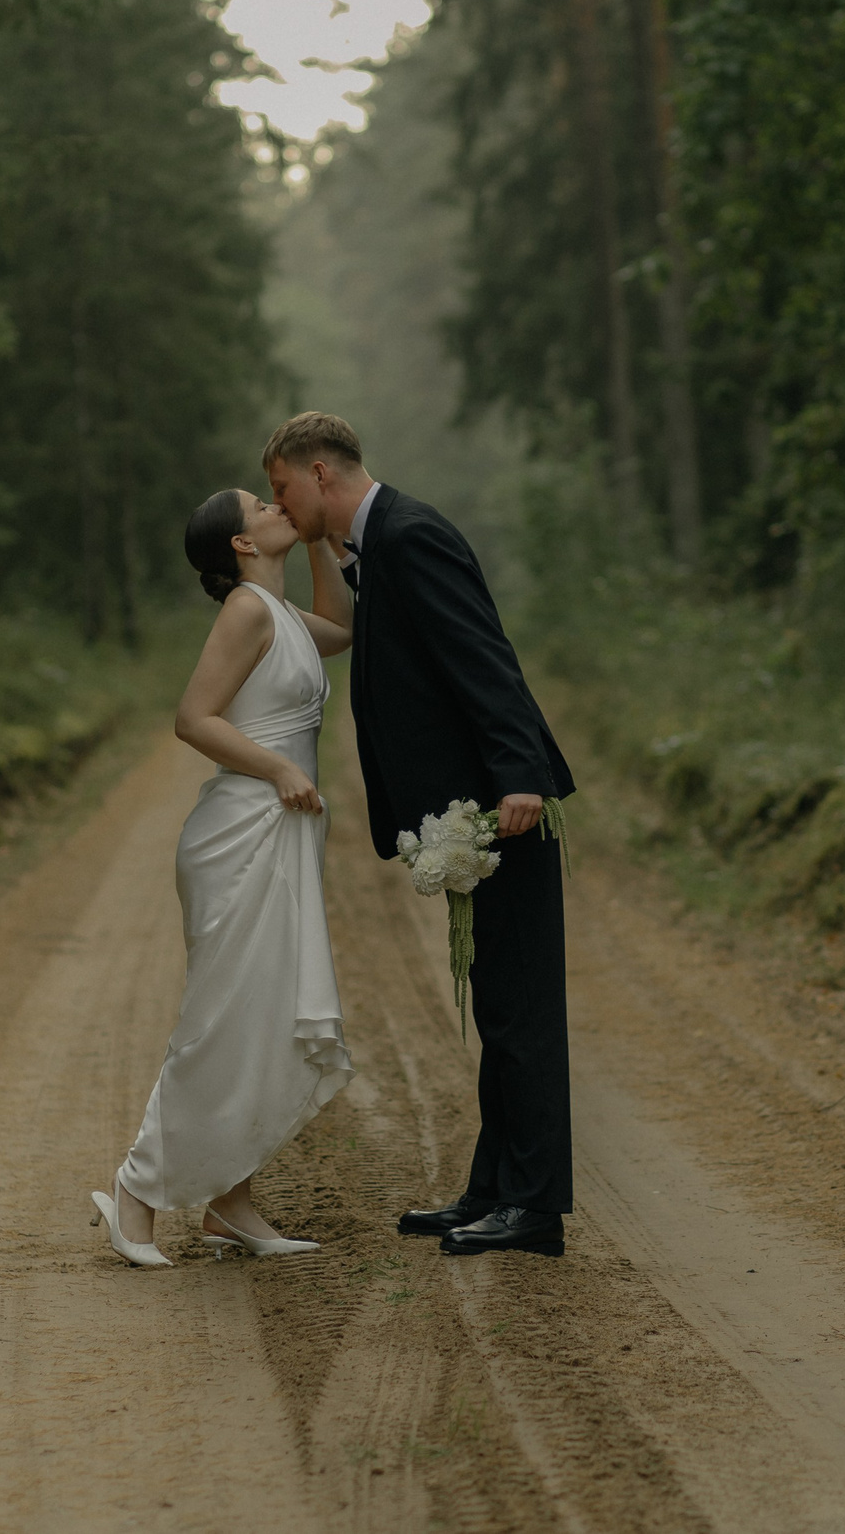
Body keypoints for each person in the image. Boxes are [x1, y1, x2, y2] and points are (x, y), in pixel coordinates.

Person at [262, 412, 577, 1258]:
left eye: (283, 489)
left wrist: (519, 774)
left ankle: (536, 1207)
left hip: (499, 804)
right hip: (471, 809)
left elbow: (483, 654)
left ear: (320, 473)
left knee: (522, 1007)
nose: (280, 507)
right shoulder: (378, 541)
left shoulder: (411, 533)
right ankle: (494, 1186)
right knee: (499, 999)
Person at [93, 488, 357, 1268]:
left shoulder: (279, 614)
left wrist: (314, 538)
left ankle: (231, 1203)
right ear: (241, 544)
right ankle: (136, 1193)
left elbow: (342, 628)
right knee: (220, 1017)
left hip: (284, 828)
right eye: (263, 505)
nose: (277, 503)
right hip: (241, 828)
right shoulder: (244, 610)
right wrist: (278, 765)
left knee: (264, 1014)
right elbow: (193, 717)